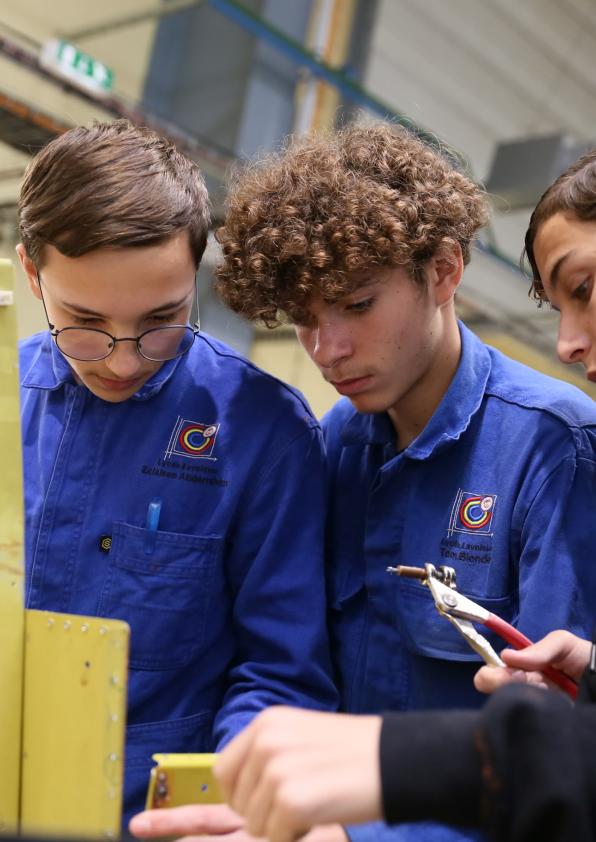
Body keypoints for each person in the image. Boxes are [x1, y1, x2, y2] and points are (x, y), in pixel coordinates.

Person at [129, 124, 596, 842]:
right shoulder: (338, 445)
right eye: (306, 319)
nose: (327, 350)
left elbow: (560, 766)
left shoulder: (553, 446)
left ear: (443, 270)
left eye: (355, 305)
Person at [17, 119, 338, 825]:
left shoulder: (263, 436)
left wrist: (228, 812)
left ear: (196, 273)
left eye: (161, 320)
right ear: (32, 272)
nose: (124, 360)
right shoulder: (10, 404)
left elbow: (280, 674)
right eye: (85, 321)